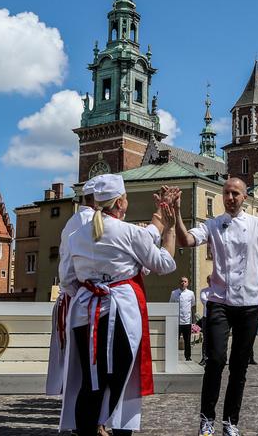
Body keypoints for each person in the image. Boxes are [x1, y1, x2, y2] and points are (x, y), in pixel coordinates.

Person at [58, 176, 177, 436]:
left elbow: (67, 279)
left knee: (91, 381)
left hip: (84, 312)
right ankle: (119, 428)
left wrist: (92, 289)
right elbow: (164, 264)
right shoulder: (129, 232)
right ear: (121, 202)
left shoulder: (77, 235)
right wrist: (169, 228)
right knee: (122, 380)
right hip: (120, 310)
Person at [174, 177, 258, 436]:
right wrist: (178, 212)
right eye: (226, 193)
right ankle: (206, 419)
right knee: (215, 360)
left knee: (239, 366)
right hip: (219, 301)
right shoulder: (213, 224)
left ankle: (230, 421)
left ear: (245, 197)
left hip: (249, 303)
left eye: (235, 193)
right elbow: (185, 241)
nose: (230, 198)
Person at [47, 177, 96, 397]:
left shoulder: (71, 222)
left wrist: (74, 293)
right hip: (92, 301)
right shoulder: (96, 222)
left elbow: (65, 273)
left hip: (72, 296)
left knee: (72, 359)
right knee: (92, 361)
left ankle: (76, 409)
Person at [169, 277, 196, 362]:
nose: (183, 283)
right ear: (179, 283)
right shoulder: (174, 293)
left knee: (187, 341)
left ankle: (188, 357)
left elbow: (192, 304)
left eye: (185, 281)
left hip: (186, 321)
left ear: (187, 283)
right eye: (181, 281)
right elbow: (171, 304)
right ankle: (173, 357)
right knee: (174, 340)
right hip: (176, 321)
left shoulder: (191, 293)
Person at [198, 276, 212, 366]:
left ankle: (213, 357)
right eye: (209, 280)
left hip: (216, 317)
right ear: (207, 281)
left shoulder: (218, 290)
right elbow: (205, 301)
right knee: (206, 338)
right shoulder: (204, 291)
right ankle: (204, 357)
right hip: (206, 317)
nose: (210, 281)